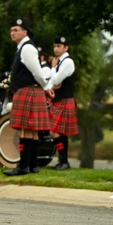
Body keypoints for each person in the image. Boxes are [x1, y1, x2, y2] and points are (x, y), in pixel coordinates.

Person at [2, 18, 52, 176]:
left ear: (25, 32)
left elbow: (37, 72)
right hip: (30, 91)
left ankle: (23, 166)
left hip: (27, 91)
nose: (12, 33)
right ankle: (32, 165)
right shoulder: (23, 47)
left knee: (26, 129)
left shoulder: (27, 48)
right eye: (11, 30)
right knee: (32, 130)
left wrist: (46, 87)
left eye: (16, 30)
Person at [45, 35, 77, 171]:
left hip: (64, 99)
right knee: (61, 133)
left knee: (54, 131)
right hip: (59, 99)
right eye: (54, 46)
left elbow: (56, 80)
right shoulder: (60, 61)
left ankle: (63, 161)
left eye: (59, 46)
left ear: (66, 48)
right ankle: (63, 161)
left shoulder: (67, 62)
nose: (56, 49)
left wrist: (52, 68)